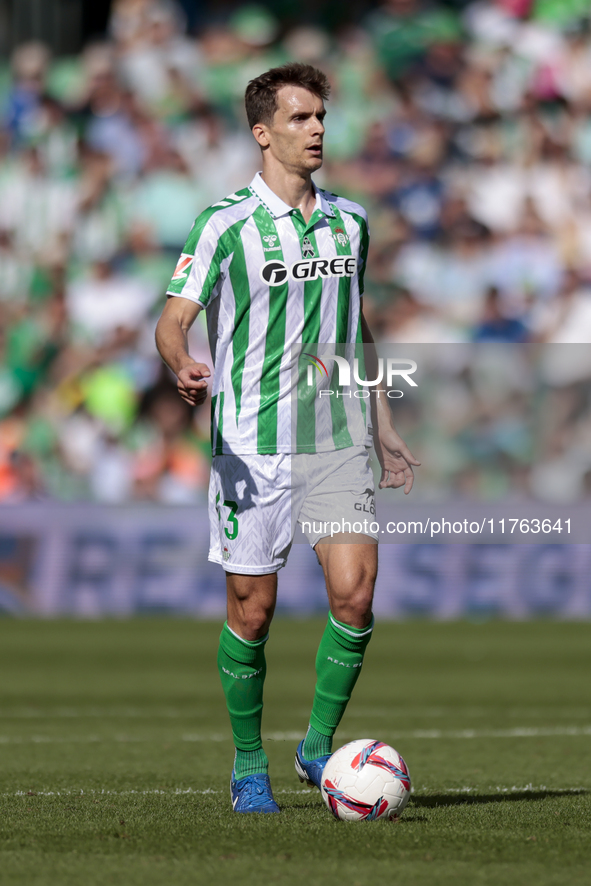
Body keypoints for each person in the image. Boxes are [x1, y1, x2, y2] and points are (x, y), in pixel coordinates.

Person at [155, 62, 419, 814]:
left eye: (321, 119)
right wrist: (182, 364)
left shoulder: (350, 221)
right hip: (249, 441)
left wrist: (383, 418)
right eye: (300, 119)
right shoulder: (223, 224)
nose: (316, 131)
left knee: (356, 595)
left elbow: (355, 323)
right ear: (261, 132)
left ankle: (315, 746)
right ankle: (247, 763)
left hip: (333, 434)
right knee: (252, 610)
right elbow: (173, 318)